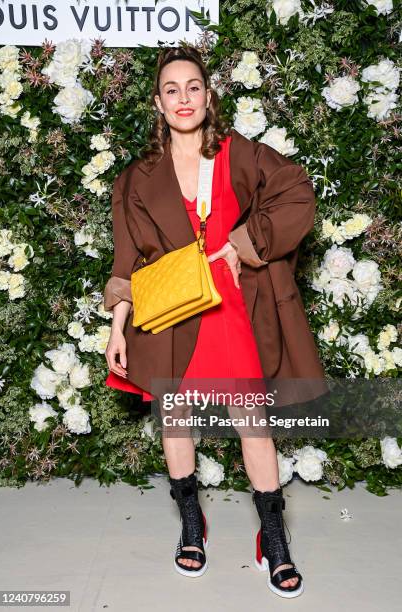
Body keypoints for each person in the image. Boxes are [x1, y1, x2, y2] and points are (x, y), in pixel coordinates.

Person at [104, 45, 325, 598]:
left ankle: (273, 537)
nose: (184, 98)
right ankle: (190, 524)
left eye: (194, 87)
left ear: (208, 95)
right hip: (173, 314)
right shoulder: (136, 179)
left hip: (234, 309)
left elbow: (297, 191)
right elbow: (127, 260)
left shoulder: (240, 154)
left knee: (254, 424)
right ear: (159, 102)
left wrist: (245, 243)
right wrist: (116, 327)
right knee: (175, 419)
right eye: (172, 89)